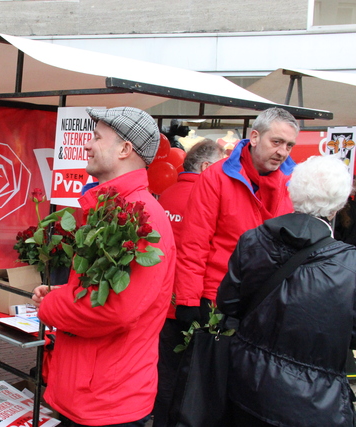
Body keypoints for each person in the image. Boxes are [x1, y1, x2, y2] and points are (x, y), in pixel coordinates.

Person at [32, 107, 176, 427]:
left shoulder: (142, 219)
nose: (87, 145)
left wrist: (52, 305)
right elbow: (105, 290)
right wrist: (65, 291)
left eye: (97, 137)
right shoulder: (112, 210)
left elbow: (116, 310)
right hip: (92, 391)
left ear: (125, 149)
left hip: (109, 400)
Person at [217, 155, 356, 427]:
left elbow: (229, 303)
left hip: (248, 384)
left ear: (292, 191)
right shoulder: (349, 265)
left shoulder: (253, 239)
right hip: (314, 401)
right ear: (339, 205)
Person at [173, 107, 299, 326]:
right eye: (277, 142)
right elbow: (195, 242)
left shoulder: (294, 182)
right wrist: (189, 299)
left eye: (289, 145)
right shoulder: (216, 177)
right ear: (255, 137)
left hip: (269, 301)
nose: (283, 152)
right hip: (218, 299)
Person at [152, 138, 224, 426]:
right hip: (190, 302)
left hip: (162, 301)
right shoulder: (206, 198)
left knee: (164, 373)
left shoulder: (165, 194)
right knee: (187, 380)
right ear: (206, 166)